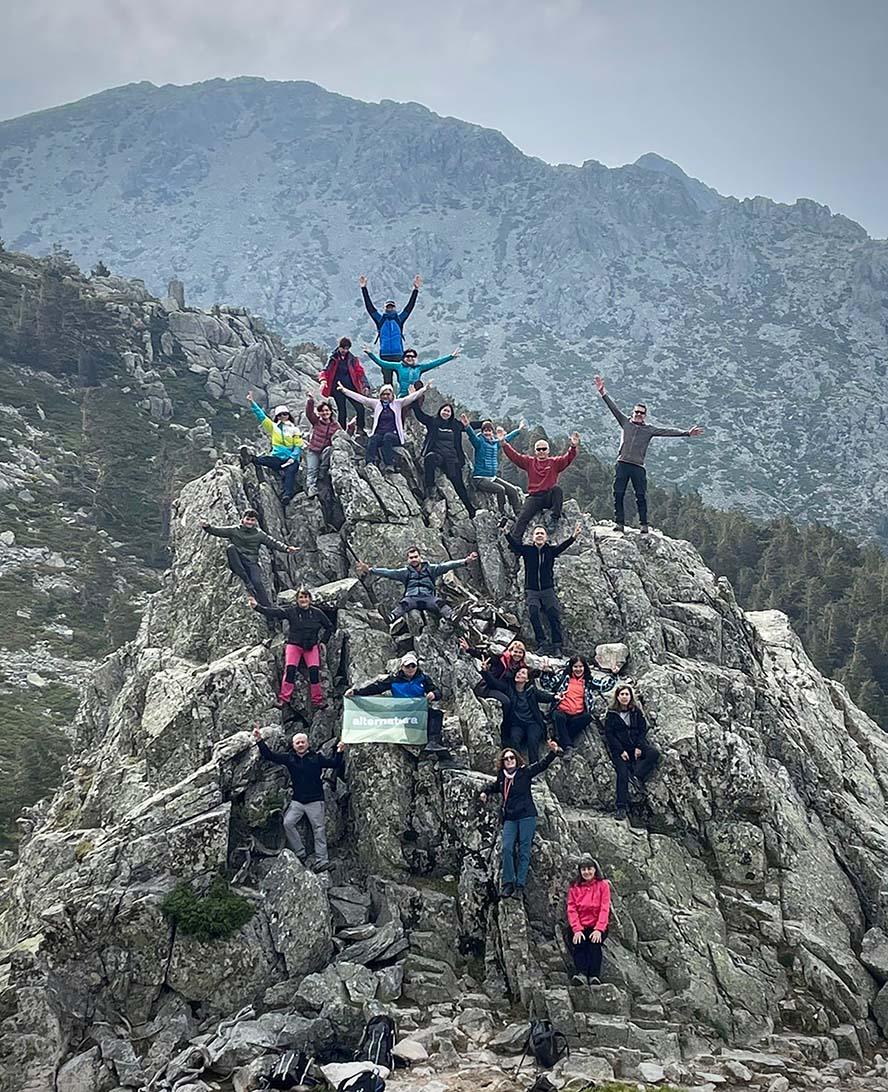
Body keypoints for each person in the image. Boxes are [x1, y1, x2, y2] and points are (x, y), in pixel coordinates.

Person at [594, 375, 704, 533]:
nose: (639, 414)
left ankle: (644, 524)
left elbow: (667, 431)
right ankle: (619, 523)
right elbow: (613, 409)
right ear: (632, 413)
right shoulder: (625, 422)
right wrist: (603, 392)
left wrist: (686, 433)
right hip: (623, 463)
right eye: (637, 412)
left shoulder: (649, 429)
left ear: (645, 416)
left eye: (642, 413)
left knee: (641, 496)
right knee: (618, 494)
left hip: (638, 466)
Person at [252, 727, 345, 871]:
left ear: (307, 744)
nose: (300, 745)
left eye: (303, 742)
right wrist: (259, 740)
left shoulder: (316, 758)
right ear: (293, 745)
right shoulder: (290, 758)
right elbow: (270, 755)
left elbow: (334, 763)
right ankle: (300, 853)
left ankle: (322, 860)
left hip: (315, 800)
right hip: (298, 801)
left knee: (319, 830)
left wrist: (340, 751)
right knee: (288, 823)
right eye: (297, 743)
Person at [479, 740, 561, 899]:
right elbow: (496, 786)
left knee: (524, 850)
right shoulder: (502, 777)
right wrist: (485, 792)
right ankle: (508, 882)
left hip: (526, 816)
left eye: (511, 758)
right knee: (507, 848)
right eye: (506, 759)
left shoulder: (524, 773)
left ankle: (519, 886)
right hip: (510, 817)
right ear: (502, 763)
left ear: (516, 760)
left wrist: (553, 752)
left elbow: (541, 765)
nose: (509, 760)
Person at [345, 651, 447, 754]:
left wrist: (433, 694)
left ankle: (434, 743)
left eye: (413, 665)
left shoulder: (423, 678)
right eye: (407, 666)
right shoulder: (394, 679)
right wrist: (356, 692)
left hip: (418, 711)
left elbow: (438, 692)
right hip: (401, 712)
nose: (411, 669)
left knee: (436, 714)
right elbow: (376, 688)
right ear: (402, 667)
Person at [249, 586, 334, 707]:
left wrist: (323, 641)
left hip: (311, 647)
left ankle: (317, 701)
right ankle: (283, 699)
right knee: (290, 670)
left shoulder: (317, 613)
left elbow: (329, 627)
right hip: (294, 645)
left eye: (305, 597)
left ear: (310, 599)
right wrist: (257, 607)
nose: (303, 600)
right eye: (301, 597)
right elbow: (274, 612)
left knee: (314, 672)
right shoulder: (291, 611)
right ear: (297, 599)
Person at [503, 523, 581, 655]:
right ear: (533, 538)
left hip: (547, 589)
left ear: (546, 537)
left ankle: (557, 646)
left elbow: (563, 547)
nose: (539, 535)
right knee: (533, 612)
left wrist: (573, 537)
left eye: (542, 533)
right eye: (537, 533)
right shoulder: (527, 550)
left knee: (553, 614)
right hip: (532, 590)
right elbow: (515, 546)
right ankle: (542, 643)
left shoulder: (550, 550)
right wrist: (506, 533)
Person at [356, 546, 479, 624]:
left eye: (416, 557)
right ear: (408, 560)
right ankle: (390, 617)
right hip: (412, 598)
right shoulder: (405, 572)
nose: (414, 559)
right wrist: (371, 570)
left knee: (440, 603)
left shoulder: (431, 569)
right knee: (403, 604)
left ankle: (452, 617)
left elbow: (447, 565)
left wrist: (465, 561)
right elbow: (389, 572)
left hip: (428, 598)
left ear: (420, 557)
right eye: (411, 558)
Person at [201, 509, 297, 607]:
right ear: (242, 519)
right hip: (238, 560)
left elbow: (272, 542)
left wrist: (286, 548)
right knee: (231, 548)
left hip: (251, 562)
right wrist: (207, 527)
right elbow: (218, 531)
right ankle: (246, 580)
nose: (249, 522)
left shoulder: (259, 534)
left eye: (252, 520)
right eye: (248, 519)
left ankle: (268, 609)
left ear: (255, 522)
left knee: (257, 582)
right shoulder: (234, 530)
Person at [503, 432, 581, 540]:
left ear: (548, 450)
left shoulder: (554, 462)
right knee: (522, 518)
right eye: (538, 449)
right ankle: (516, 542)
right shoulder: (529, 462)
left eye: (544, 449)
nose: (541, 451)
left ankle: (554, 519)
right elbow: (515, 456)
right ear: (535, 451)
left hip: (549, 496)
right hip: (535, 497)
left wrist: (573, 446)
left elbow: (567, 458)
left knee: (557, 490)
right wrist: (503, 443)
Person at [338, 381, 425, 472]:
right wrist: (344, 391)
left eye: (388, 394)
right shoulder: (376, 404)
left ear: (392, 395)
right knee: (373, 439)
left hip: (394, 435)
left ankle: (389, 464)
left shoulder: (398, 403)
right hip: (380, 434)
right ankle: (369, 462)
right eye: (383, 394)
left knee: (388, 437)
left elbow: (412, 397)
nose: (385, 396)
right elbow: (361, 399)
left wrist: (424, 389)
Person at [604, 684, 660, 820]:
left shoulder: (636, 711)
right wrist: (620, 750)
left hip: (635, 745)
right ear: (617, 696)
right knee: (622, 774)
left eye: (626, 694)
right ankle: (621, 807)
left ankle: (637, 774)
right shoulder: (611, 714)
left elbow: (642, 729)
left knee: (654, 753)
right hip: (620, 749)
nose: (624, 697)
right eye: (622, 694)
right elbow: (609, 735)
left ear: (631, 696)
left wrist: (639, 746)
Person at [483, 663, 558, 762]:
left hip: (533, 723)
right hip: (517, 724)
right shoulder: (509, 688)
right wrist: (485, 671)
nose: (518, 674)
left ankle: (534, 766)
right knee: (514, 740)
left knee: (532, 739)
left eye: (522, 673)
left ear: (527, 679)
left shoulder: (531, 690)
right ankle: (519, 766)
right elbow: (494, 683)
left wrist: (555, 697)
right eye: (518, 672)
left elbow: (544, 696)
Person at [413, 399, 476, 517]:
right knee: (429, 458)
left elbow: (471, 425)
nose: (446, 413)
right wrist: (414, 399)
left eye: (448, 411)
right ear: (440, 411)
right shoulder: (433, 422)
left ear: (451, 414)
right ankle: (430, 488)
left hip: (452, 458)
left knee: (458, 484)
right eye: (444, 410)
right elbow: (419, 415)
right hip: (438, 455)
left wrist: (485, 423)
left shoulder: (456, 425)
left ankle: (470, 509)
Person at [360, 274, 421, 384]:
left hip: (398, 355)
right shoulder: (380, 319)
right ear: (385, 308)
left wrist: (415, 290)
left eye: (391, 307)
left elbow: (409, 307)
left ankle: (403, 400)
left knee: (402, 380)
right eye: (388, 307)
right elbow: (369, 307)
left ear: (394, 308)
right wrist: (364, 288)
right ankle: (389, 401)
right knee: (387, 382)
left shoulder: (399, 319)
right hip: (385, 355)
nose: (390, 309)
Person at [245, 392, 305, 505]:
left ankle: (287, 494)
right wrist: (252, 402)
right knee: (264, 460)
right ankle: (250, 458)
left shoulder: (295, 429)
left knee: (290, 472)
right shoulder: (274, 427)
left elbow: (298, 445)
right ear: (277, 416)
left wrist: (292, 458)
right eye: (280, 415)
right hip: (277, 458)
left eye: (285, 414)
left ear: (288, 415)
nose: (283, 416)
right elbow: (261, 416)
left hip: (291, 460)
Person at [460, 417, 524, 518]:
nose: (487, 433)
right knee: (500, 489)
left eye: (489, 431)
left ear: (492, 432)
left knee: (512, 490)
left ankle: (519, 514)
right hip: (479, 478)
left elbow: (506, 439)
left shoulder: (495, 444)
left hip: (492, 477)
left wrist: (518, 430)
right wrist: (467, 426)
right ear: (482, 432)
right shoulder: (479, 442)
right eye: (485, 431)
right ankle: (502, 513)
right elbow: (472, 436)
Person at [566, 856, 611, 985]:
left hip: (597, 925)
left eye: (589, 869)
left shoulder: (603, 886)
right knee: (579, 944)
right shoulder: (574, 888)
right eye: (583, 869)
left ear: (595, 870)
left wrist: (599, 929)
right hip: (579, 925)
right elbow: (571, 909)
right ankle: (581, 974)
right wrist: (577, 929)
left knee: (594, 945)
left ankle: (594, 976)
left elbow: (604, 908)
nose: (587, 872)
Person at [542, 656, 598, 752]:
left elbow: (603, 686)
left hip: (577, 715)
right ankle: (568, 746)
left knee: (588, 717)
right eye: (575, 666)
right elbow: (547, 685)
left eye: (581, 666)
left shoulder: (588, 681)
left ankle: (559, 738)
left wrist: (614, 674)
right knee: (559, 716)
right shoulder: (563, 677)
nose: (578, 669)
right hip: (562, 711)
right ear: (571, 667)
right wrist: (545, 672)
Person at [364, 344, 460, 398]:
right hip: (403, 395)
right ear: (403, 358)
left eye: (413, 356)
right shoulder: (398, 366)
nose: (410, 358)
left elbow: (435, 363)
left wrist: (450, 357)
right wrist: (370, 354)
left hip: (416, 395)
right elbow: (382, 363)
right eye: (408, 356)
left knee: (419, 385)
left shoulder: (419, 367)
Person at [304, 394, 352, 498]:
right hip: (314, 450)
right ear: (319, 413)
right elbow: (309, 413)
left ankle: (322, 472)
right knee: (312, 469)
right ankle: (311, 488)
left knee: (330, 449)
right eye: (322, 411)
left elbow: (343, 436)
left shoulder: (335, 425)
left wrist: (351, 428)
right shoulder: (316, 421)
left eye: (327, 410)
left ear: (330, 412)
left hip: (325, 452)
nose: (325, 413)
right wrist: (310, 401)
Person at [319, 338, 370, 433]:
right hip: (337, 388)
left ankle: (360, 429)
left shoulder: (352, 359)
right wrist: (323, 381)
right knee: (342, 411)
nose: (344, 351)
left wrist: (365, 385)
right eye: (343, 348)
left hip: (350, 387)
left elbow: (360, 373)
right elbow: (325, 370)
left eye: (347, 349)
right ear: (339, 347)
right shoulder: (333, 358)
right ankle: (341, 431)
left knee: (360, 408)